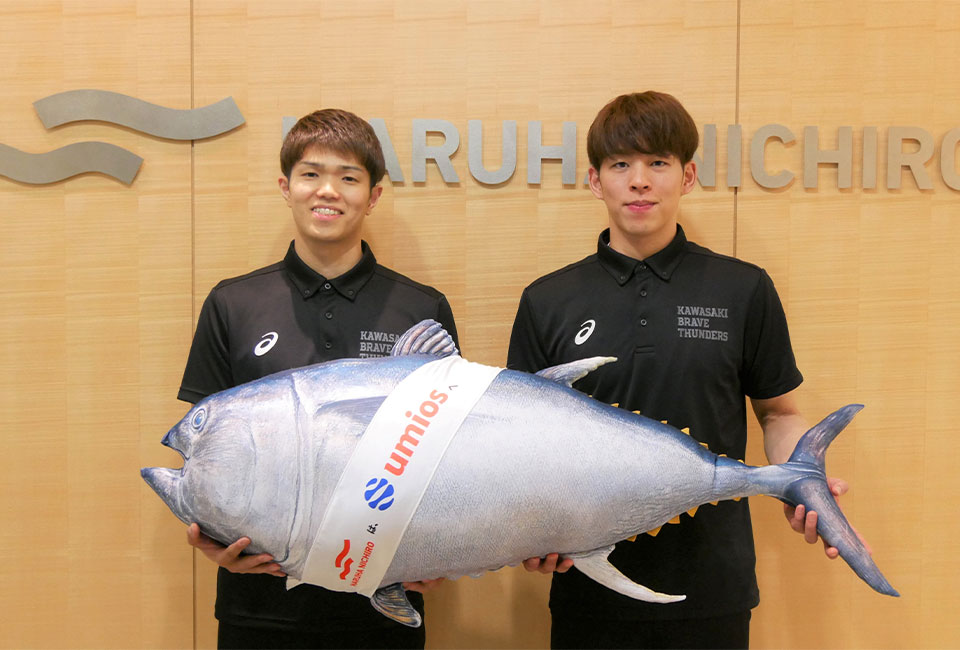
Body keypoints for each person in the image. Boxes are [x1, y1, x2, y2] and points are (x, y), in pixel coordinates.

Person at [507, 91, 850, 649]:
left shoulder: (743, 288)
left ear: (687, 176)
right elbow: (522, 442)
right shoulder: (547, 300)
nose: (640, 181)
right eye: (621, 164)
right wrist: (530, 530)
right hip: (588, 585)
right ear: (595, 180)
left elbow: (778, 413)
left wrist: (800, 479)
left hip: (712, 587)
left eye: (658, 163)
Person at [177, 108, 457, 649]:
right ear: (286, 187)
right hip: (259, 603)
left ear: (373, 196)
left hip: (383, 601)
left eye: (349, 177)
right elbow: (204, 448)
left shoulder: (421, 309)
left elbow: (445, 453)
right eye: (311, 174)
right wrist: (209, 538)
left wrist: (440, 547)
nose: (328, 190)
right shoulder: (233, 304)